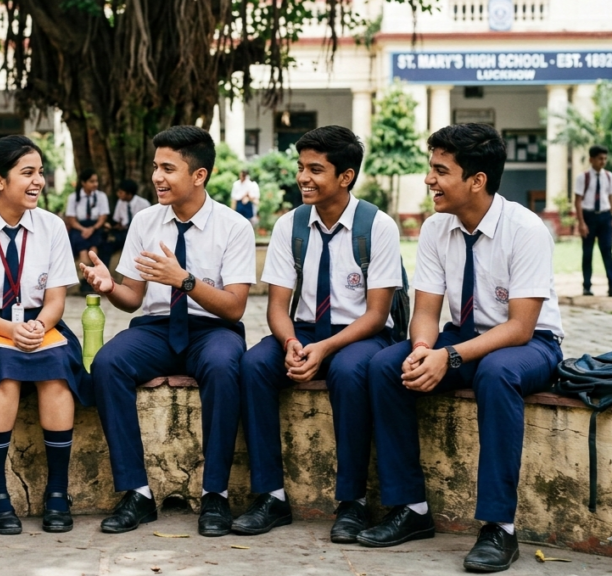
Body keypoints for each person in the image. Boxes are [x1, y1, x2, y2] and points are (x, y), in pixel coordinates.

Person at [357, 124, 564, 573]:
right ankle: (409, 508)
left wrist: (448, 357)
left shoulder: (526, 229)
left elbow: (521, 327)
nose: (428, 180)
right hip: (461, 336)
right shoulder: (436, 228)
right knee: (385, 366)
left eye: (440, 171)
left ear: (477, 180)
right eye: (430, 169)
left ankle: (498, 528)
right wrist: (422, 350)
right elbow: (427, 311)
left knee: (496, 373)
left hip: (529, 345)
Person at [81, 125, 255, 537]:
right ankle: (136, 493)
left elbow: (234, 306)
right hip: (156, 328)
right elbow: (133, 297)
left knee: (225, 366)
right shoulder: (145, 221)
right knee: (107, 364)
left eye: (168, 168)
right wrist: (110, 288)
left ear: (199, 175)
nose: (157, 176)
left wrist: (185, 280)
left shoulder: (233, 226)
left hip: (213, 329)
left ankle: (215, 494)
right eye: (156, 166)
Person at [232, 126, 402, 542]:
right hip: (304, 329)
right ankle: (270, 496)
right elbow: (276, 306)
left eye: (315, 169)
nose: (303, 178)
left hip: (361, 333)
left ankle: (352, 503)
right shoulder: (291, 225)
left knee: (347, 372)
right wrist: (291, 343)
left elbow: (378, 314)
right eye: (300, 167)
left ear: (345, 177)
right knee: (253, 364)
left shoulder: (377, 226)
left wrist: (323, 349)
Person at [0, 135, 91, 535]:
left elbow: (57, 300)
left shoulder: (51, 227)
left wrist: (39, 327)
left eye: (40, 173)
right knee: (3, 368)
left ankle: (58, 493)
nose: (38, 181)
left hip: (39, 323)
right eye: (27, 173)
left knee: (58, 369)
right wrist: (12, 331)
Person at [574, 145, 611, 296]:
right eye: (599, 158)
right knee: (588, 252)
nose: (603, 162)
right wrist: (581, 222)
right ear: (591, 159)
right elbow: (578, 200)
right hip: (589, 216)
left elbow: (610, 198)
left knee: (607, 251)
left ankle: (611, 285)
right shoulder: (583, 177)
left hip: (605, 216)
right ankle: (587, 286)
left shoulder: (609, 176)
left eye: (605, 158)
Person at [65, 168, 110, 293]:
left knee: (94, 253)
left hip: (95, 227)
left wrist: (92, 228)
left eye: (96, 181)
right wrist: (83, 229)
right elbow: (71, 218)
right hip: (79, 227)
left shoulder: (101, 196)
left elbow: (103, 216)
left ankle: (87, 285)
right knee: (84, 258)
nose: (95, 184)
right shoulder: (74, 197)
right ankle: (86, 284)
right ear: (83, 183)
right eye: (92, 181)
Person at [100, 179, 150, 266]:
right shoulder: (120, 202)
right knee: (107, 245)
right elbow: (117, 220)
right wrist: (113, 226)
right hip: (124, 232)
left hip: (139, 233)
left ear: (129, 194)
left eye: (121, 192)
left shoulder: (143, 204)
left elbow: (148, 223)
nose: (118, 194)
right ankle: (104, 270)